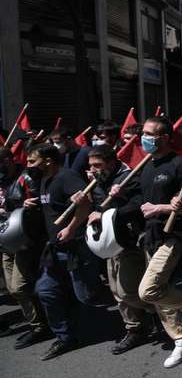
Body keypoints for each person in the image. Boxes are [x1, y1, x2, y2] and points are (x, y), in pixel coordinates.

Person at [135, 116, 182, 368]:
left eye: (149, 134)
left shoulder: (180, 165)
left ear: (164, 137)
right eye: (143, 133)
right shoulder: (146, 165)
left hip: (173, 236)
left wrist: (163, 208)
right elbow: (141, 201)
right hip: (150, 236)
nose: (144, 138)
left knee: (148, 290)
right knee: (160, 294)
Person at [28, 143, 108, 360]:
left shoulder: (67, 177)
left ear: (47, 161)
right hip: (54, 249)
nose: (28, 165)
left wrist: (71, 228)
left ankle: (136, 315)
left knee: (87, 295)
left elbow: (85, 204)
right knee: (45, 290)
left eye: (32, 161)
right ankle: (65, 338)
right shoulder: (44, 179)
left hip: (76, 247)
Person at [81, 144, 155, 355]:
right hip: (109, 242)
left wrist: (119, 199)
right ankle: (135, 329)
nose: (93, 169)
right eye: (91, 165)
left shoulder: (128, 177)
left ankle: (163, 310)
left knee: (128, 291)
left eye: (97, 165)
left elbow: (140, 204)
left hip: (129, 240)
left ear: (112, 163)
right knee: (116, 292)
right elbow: (98, 207)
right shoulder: (98, 182)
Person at [0, 148, 49, 350]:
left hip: (23, 239)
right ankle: (37, 323)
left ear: (8, 160)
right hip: (5, 238)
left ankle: (41, 326)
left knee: (20, 286)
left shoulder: (27, 177)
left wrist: (21, 205)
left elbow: (40, 205)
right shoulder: (2, 181)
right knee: (13, 289)